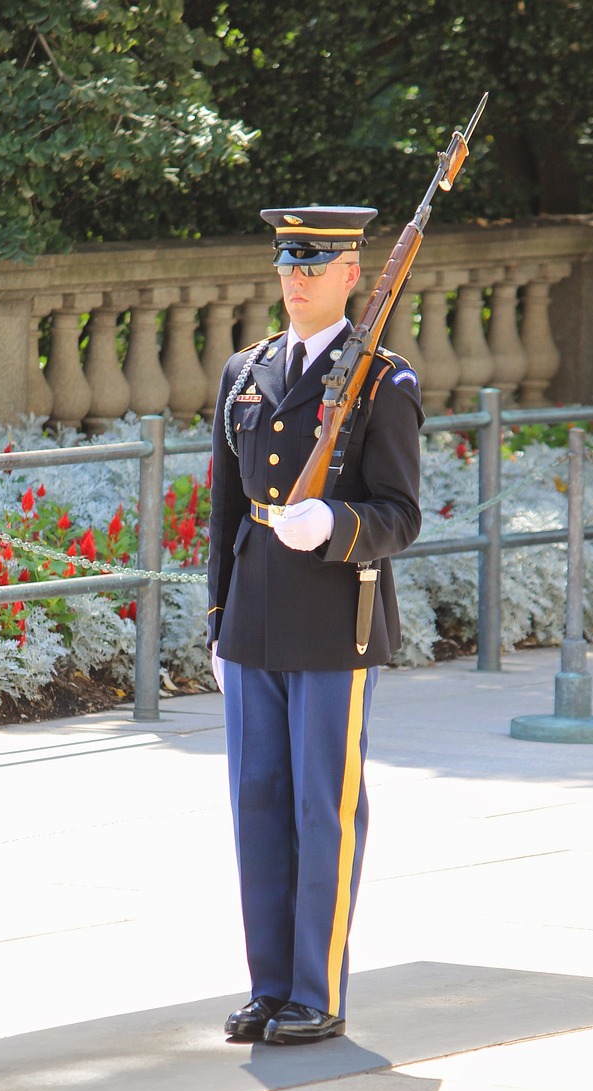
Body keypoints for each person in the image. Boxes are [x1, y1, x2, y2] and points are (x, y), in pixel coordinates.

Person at [207, 205, 423, 1045]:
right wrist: (219, 624)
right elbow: (228, 508)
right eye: (286, 265)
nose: (295, 279)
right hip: (255, 615)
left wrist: (335, 522)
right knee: (256, 803)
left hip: (335, 618)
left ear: (349, 276)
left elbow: (399, 514)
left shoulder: (382, 381)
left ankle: (316, 991)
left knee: (320, 808)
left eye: (313, 266)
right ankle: (269, 986)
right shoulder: (245, 371)